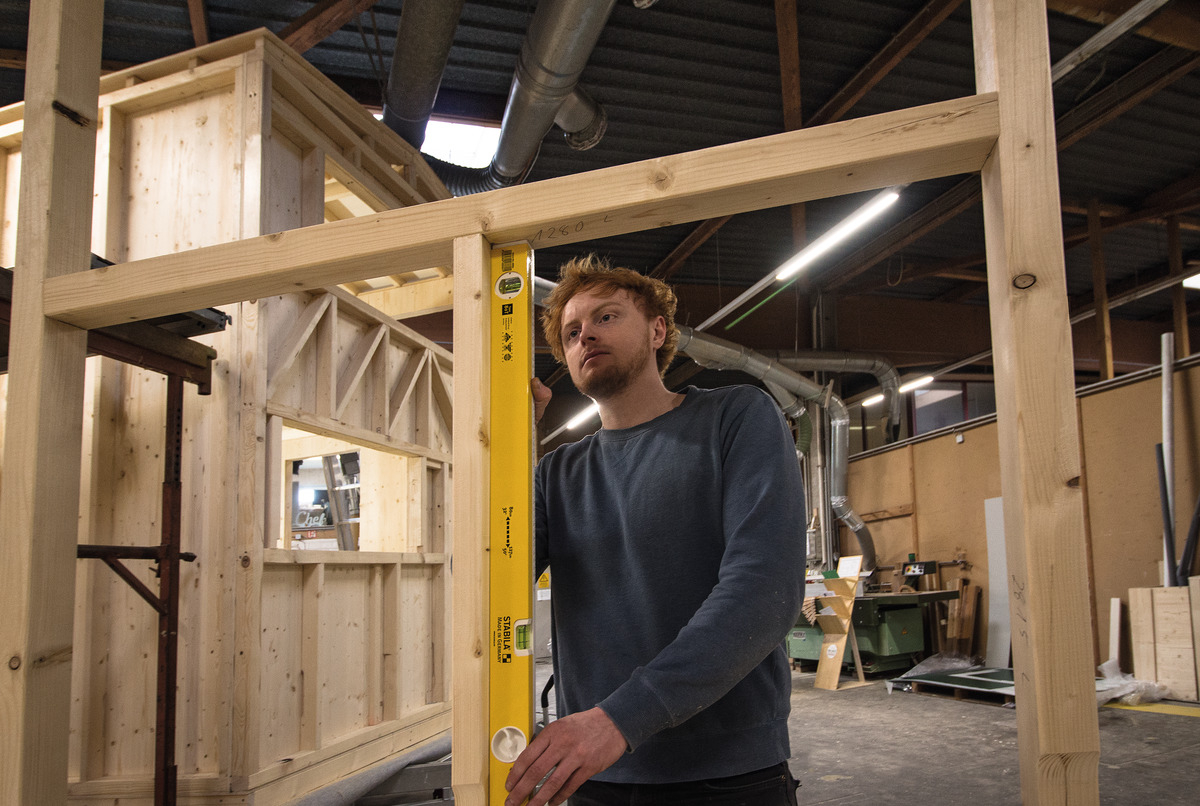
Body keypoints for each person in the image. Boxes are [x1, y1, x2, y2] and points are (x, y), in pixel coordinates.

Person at [506, 255, 805, 806]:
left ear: (657, 330)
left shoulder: (736, 418)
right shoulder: (555, 473)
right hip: (596, 775)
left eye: (606, 316)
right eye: (571, 332)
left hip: (726, 773)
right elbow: (491, 579)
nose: (585, 335)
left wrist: (621, 719)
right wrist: (506, 445)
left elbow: (765, 591)